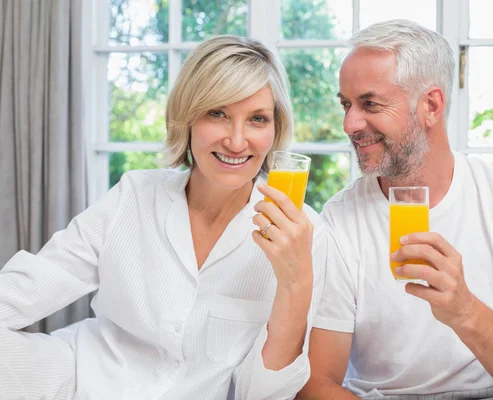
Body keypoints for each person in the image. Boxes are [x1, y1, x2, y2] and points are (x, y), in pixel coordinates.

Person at [0, 35, 325, 400]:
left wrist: (294, 283)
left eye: (257, 119)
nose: (237, 141)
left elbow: (263, 394)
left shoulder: (302, 231)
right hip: (81, 379)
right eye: (217, 113)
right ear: (187, 117)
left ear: (275, 129)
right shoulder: (134, 195)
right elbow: (33, 283)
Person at [299, 19, 493, 399]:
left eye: (370, 104)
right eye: (346, 105)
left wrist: (465, 312)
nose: (349, 124)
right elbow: (316, 384)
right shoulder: (340, 221)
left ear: (431, 105)